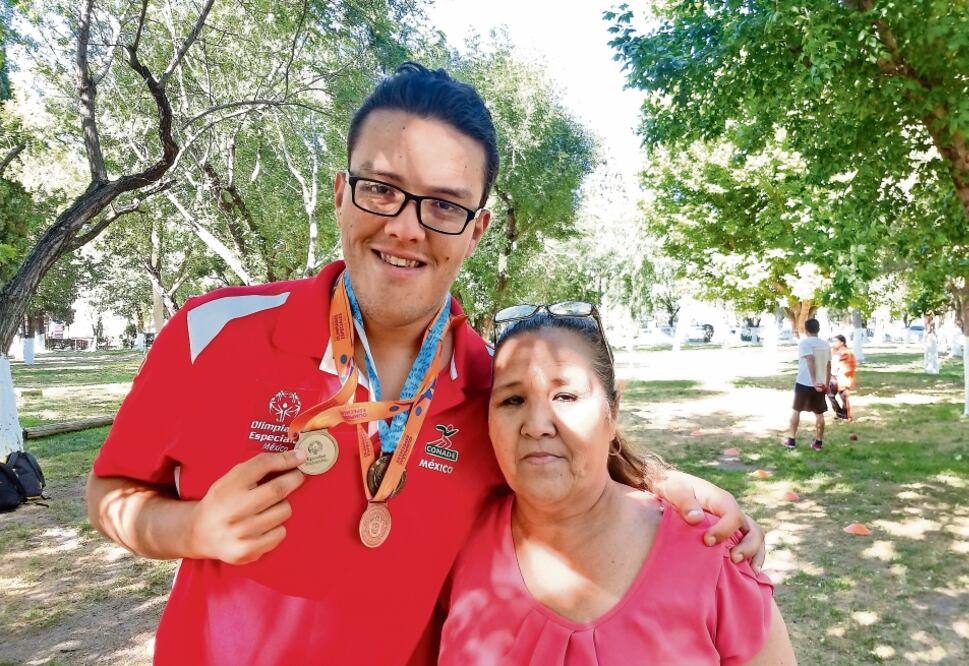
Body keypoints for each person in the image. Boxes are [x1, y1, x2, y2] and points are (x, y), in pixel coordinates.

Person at [85, 63, 764, 665]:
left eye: (443, 205)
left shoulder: (493, 392)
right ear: (340, 193)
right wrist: (192, 529)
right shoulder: (212, 332)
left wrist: (670, 491)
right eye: (381, 189)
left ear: (476, 230)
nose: (406, 227)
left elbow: (567, 473)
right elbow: (110, 490)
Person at [439, 306, 796, 665]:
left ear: (613, 411)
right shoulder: (455, 545)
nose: (536, 425)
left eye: (565, 396)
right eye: (512, 400)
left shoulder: (711, 553)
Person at [783, 318, 831, 450]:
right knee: (819, 414)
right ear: (818, 329)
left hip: (804, 382)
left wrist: (813, 381)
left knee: (796, 410)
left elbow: (810, 360)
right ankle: (818, 443)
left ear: (806, 329)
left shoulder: (804, 343)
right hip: (820, 384)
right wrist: (826, 384)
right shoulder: (825, 345)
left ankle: (791, 440)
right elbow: (828, 366)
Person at [828, 334, 857, 420]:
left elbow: (849, 366)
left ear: (842, 342)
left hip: (843, 378)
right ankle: (838, 412)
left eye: (836, 341)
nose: (834, 343)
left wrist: (841, 370)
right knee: (830, 394)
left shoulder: (847, 353)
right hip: (833, 376)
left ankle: (847, 416)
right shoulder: (833, 352)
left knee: (844, 397)